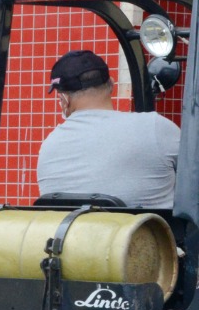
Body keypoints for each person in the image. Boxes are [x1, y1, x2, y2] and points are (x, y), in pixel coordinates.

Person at [36, 49, 179, 208]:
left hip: (70, 232)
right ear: (111, 84)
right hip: (150, 232)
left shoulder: (49, 146)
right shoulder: (156, 127)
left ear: (63, 99)